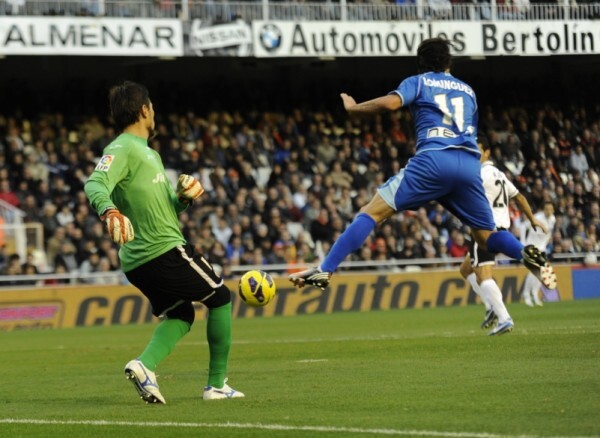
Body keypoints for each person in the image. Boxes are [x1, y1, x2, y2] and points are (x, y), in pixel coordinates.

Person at [289, 38, 557, 300]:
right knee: (487, 238)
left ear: (421, 63)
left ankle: (324, 271)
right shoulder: (468, 91)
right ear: (449, 64)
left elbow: (390, 104)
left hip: (433, 159)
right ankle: (524, 253)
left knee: (370, 213)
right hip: (468, 164)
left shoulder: (418, 82)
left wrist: (355, 108)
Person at [84, 81, 243, 404]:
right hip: (162, 250)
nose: (154, 111)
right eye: (152, 106)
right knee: (221, 298)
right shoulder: (122, 148)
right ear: (144, 110)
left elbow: (166, 208)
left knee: (182, 315)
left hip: (138, 261)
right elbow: (95, 183)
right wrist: (109, 210)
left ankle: (144, 366)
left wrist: (183, 199)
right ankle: (216, 385)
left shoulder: (149, 153)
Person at [459, 136, 547, 335]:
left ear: (487, 152)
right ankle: (490, 306)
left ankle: (503, 317)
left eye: (477, 149)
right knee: (465, 269)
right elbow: (520, 197)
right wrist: (533, 220)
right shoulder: (499, 174)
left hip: (484, 232)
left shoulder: (477, 175)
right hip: (502, 230)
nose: (473, 152)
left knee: (483, 277)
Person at [520, 201, 556, 307]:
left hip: (541, 248)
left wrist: (544, 244)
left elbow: (549, 233)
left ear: (553, 210)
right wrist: (523, 242)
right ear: (543, 209)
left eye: (551, 209)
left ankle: (535, 294)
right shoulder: (536, 217)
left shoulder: (552, 219)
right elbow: (523, 226)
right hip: (531, 247)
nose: (549, 211)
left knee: (541, 273)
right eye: (547, 209)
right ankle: (526, 294)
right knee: (533, 271)